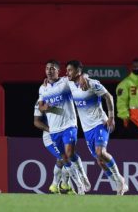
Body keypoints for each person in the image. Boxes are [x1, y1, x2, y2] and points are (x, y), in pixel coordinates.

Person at [66, 60, 128, 195]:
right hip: (87, 130)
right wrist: (47, 81)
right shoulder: (69, 84)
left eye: (70, 70)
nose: (67, 73)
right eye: (67, 70)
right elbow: (56, 81)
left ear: (78, 71)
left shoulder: (92, 83)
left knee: (100, 152)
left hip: (101, 123)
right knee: (100, 161)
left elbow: (109, 97)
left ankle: (120, 180)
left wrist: (111, 117)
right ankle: (117, 182)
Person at [38, 59, 90, 195]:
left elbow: (80, 76)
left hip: (69, 124)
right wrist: (51, 109)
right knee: (64, 158)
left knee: (69, 154)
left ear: (58, 71)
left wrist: (85, 77)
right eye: (47, 68)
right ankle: (66, 184)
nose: (49, 70)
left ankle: (81, 183)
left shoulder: (65, 81)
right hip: (54, 130)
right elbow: (41, 106)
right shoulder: (43, 88)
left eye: (52, 68)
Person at [33, 97, 74, 195]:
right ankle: (63, 186)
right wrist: (51, 130)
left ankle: (57, 186)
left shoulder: (66, 96)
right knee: (65, 158)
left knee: (64, 158)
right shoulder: (41, 100)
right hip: (50, 137)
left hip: (65, 133)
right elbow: (36, 122)